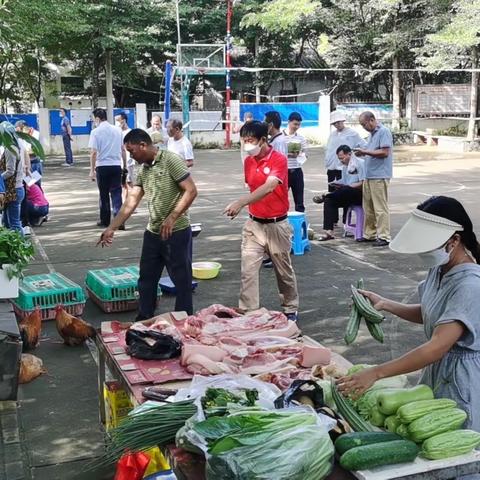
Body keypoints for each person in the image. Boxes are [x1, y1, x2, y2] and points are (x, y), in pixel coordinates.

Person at [337, 196, 480, 435]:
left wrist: (377, 372)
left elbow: (437, 346)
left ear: (454, 240)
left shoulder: (469, 286)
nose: (424, 253)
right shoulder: (440, 269)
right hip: (436, 372)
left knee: (457, 444)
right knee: (427, 434)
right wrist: (385, 304)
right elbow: (432, 313)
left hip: (460, 379)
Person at [98, 128, 198, 318]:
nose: (131, 156)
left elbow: (191, 191)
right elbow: (132, 200)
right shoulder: (143, 170)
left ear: (143, 145)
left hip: (176, 232)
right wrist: (112, 227)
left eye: (132, 151)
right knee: (146, 280)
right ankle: (145, 319)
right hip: (153, 233)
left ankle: (184, 322)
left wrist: (172, 217)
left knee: (182, 282)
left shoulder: (171, 160)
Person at [223, 121, 299, 321]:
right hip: (254, 225)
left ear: (263, 140)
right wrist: (245, 206)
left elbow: (269, 187)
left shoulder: (279, 160)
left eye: (250, 141)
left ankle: (290, 307)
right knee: (248, 271)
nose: (247, 145)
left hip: (277, 225)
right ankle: (249, 311)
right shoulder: (249, 161)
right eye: (244, 141)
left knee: (283, 271)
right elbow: (253, 188)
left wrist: (241, 202)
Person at [354, 111, 393, 247]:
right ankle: (369, 233)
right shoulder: (371, 135)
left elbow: (384, 152)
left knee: (380, 207)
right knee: (368, 207)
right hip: (369, 175)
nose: (364, 127)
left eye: (364, 124)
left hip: (379, 175)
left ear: (372, 120)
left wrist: (364, 152)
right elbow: (371, 153)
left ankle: (384, 236)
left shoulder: (383, 132)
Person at [314, 145, 365, 241]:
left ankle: (327, 195)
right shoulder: (345, 167)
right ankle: (328, 232)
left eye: (342, 158)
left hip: (359, 194)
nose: (341, 160)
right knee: (329, 201)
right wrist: (336, 183)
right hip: (347, 193)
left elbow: (363, 183)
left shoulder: (360, 163)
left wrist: (349, 186)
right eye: (339, 159)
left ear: (349, 154)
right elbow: (345, 181)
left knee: (345, 189)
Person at [88, 108, 125, 229]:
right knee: (117, 193)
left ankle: (105, 220)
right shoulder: (117, 130)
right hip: (116, 165)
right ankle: (119, 222)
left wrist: (91, 170)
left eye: (94, 119)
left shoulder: (95, 132)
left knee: (103, 194)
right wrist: (123, 164)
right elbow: (122, 149)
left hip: (102, 166)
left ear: (97, 118)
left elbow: (93, 152)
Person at [283, 112, 308, 212]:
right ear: (289, 122)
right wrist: (287, 154)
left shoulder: (301, 138)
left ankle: (300, 221)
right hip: (284, 171)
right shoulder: (280, 137)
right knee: (282, 197)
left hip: (297, 170)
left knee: (299, 200)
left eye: (298, 124)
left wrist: (299, 155)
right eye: (295, 124)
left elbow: (305, 154)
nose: (296, 127)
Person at [0, 144, 25, 234]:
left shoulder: (10, 149)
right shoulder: (14, 147)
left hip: (14, 191)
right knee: (6, 223)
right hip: (12, 189)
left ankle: (20, 246)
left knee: (14, 225)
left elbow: (10, 171)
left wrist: (0, 177)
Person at [115, 112, 133, 191]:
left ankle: (131, 201)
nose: (117, 123)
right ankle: (124, 202)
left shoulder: (130, 132)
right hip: (118, 162)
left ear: (124, 120)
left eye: (118, 120)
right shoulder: (116, 132)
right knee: (122, 184)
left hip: (128, 162)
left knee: (129, 183)